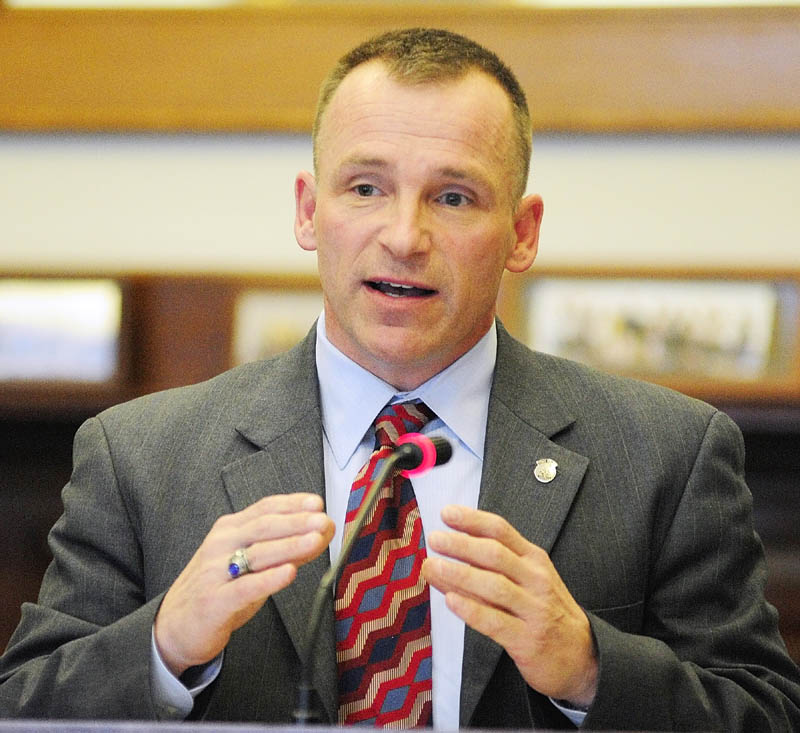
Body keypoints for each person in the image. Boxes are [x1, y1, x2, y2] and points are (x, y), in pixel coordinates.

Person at [1, 27, 799, 730]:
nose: (404, 236)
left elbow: (764, 711)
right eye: (366, 188)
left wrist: (591, 666)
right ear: (310, 212)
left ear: (521, 233)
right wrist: (165, 645)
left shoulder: (667, 453)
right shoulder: (139, 455)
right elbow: (22, 704)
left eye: (453, 197)